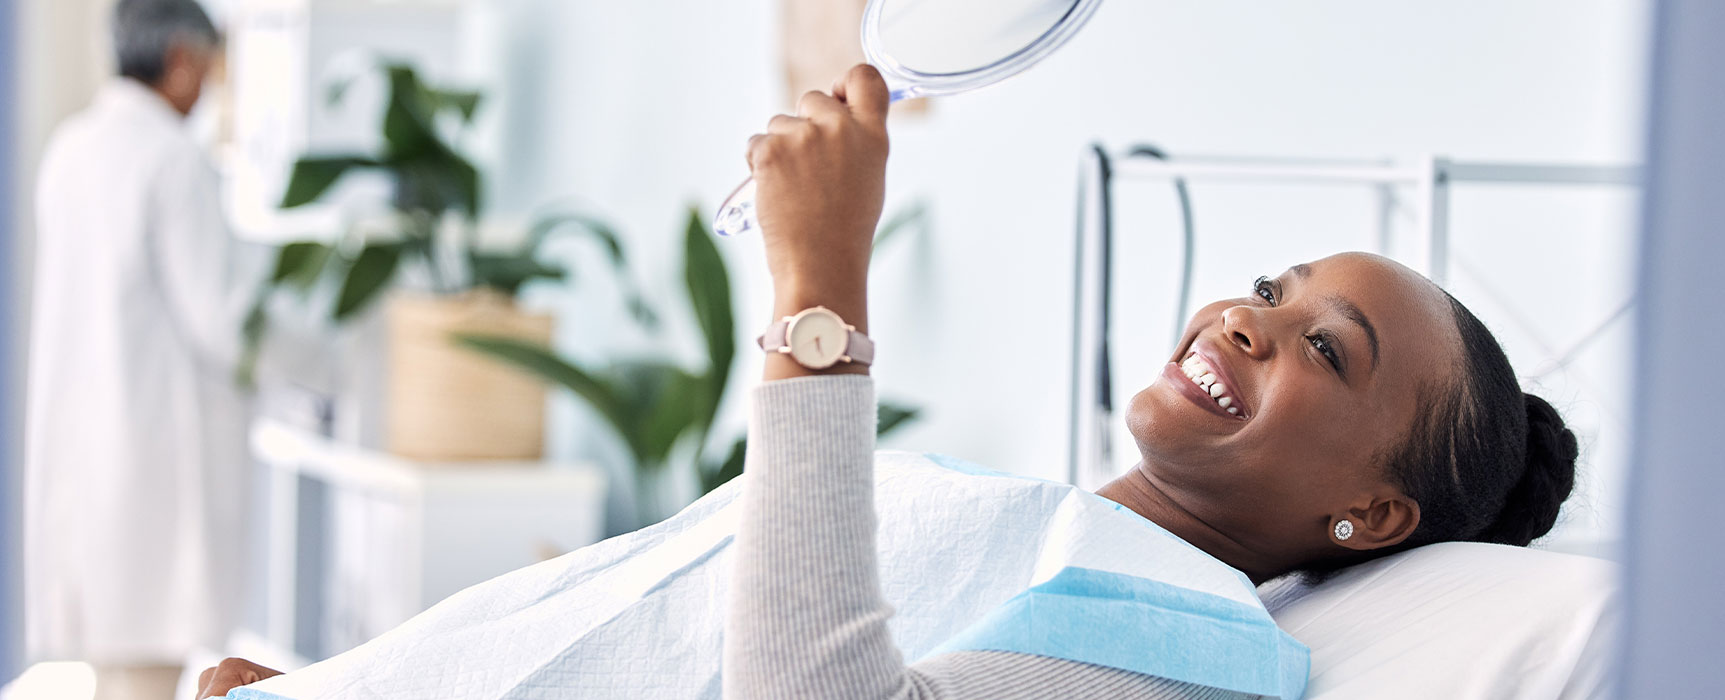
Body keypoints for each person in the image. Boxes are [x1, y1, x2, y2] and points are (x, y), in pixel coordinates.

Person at [198, 65, 1579, 700]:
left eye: (1328, 349)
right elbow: (648, 625)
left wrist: (819, 300)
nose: (1250, 318)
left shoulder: (1192, 652)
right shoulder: (992, 503)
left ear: (1376, 515)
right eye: (1272, 289)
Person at [26, 1, 260, 698]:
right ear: (182, 58)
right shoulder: (170, 158)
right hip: (147, 463)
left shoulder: (72, 147)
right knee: (144, 679)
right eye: (212, 65)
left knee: (118, 676)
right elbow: (220, 321)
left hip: (87, 454)